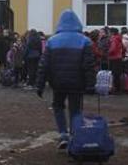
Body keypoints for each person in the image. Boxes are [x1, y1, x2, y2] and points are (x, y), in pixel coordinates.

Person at [36, 10, 95, 149]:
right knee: (75, 109)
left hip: (58, 82)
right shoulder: (85, 41)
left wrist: (40, 84)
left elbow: (44, 65)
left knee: (58, 106)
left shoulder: (52, 41)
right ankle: (74, 135)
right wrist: (91, 85)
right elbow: (89, 65)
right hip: (77, 83)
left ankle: (63, 134)